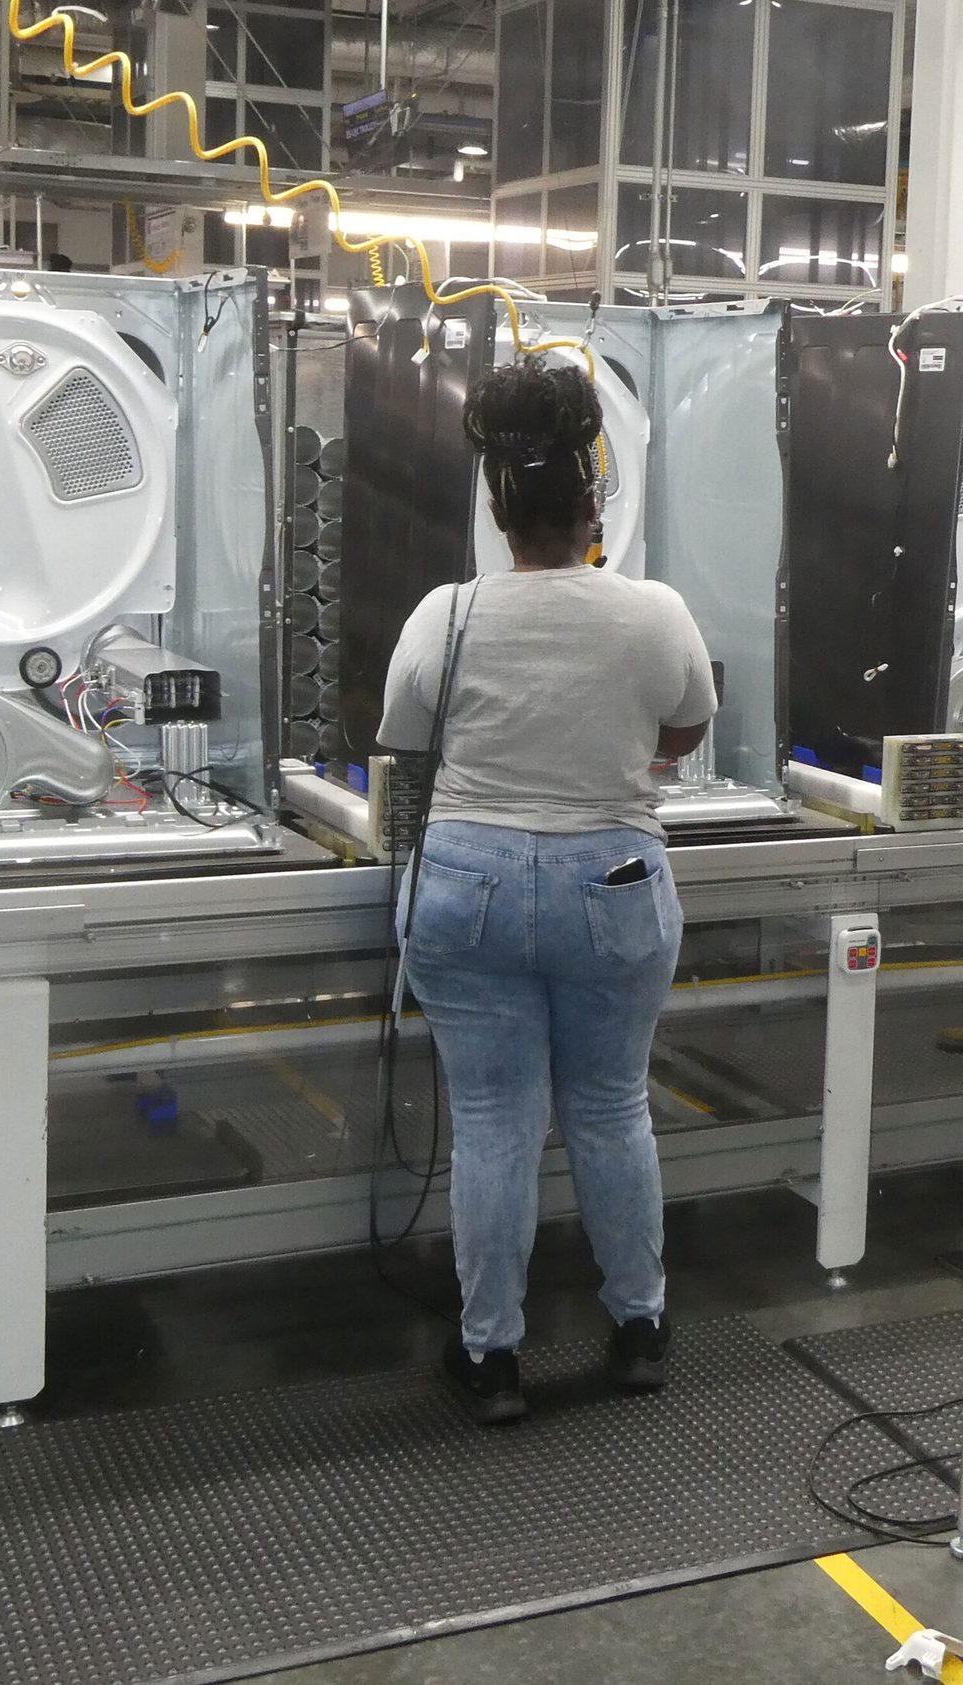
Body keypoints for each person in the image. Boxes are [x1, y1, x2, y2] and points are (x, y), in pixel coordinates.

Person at [378, 358, 716, 1426]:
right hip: (611, 878)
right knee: (613, 1108)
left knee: (492, 1123)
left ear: (499, 515)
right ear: (593, 504)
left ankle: (491, 1357)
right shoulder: (654, 611)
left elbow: (402, 740)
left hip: (467, 882)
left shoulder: (449, 612)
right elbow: (685, 726)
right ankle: (639, 1328)